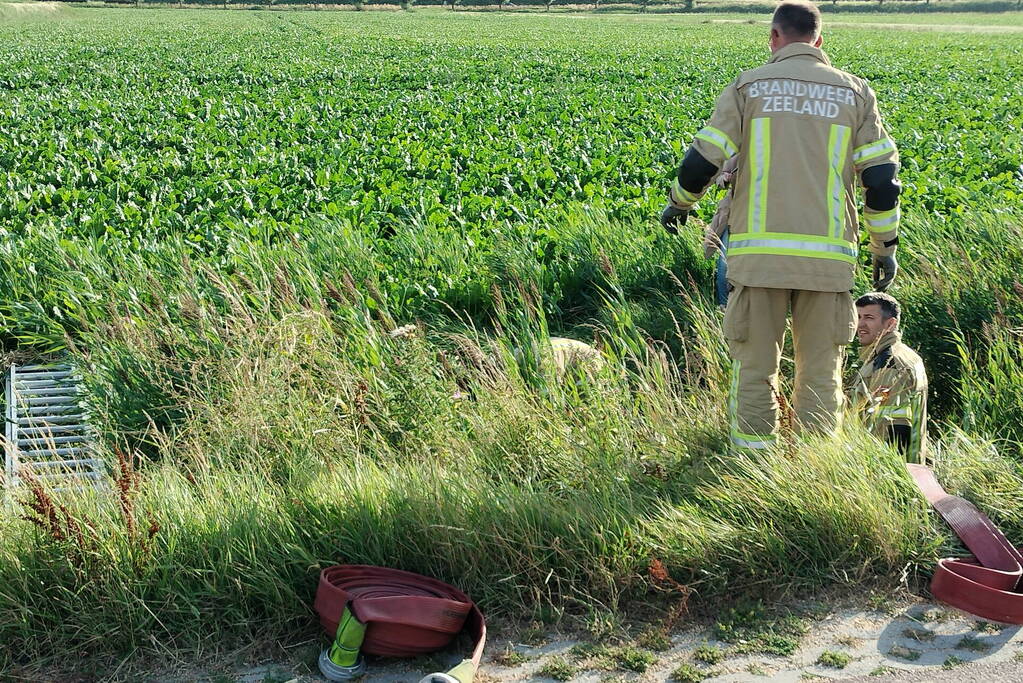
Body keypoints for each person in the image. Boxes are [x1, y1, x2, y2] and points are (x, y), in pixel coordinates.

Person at [660, 0, 902, 452]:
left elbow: (704, 159)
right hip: (828, 264)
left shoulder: (748, 87)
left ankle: (753, 471)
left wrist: (679, 204)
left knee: (755, 368)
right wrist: (883, 247)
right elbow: (882, 181)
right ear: (820, 41)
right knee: (820, 372)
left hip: (759, 260)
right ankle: (812, 469)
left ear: (773, 37)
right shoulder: (855, 93)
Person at [851, 292, 928, 463]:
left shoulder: (889, 363)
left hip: (886, 468)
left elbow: (893, 427)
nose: (860, 325)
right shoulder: (891, 356)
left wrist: (886, 474)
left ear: (891, 324)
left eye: (869, 318)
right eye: (858, 317)